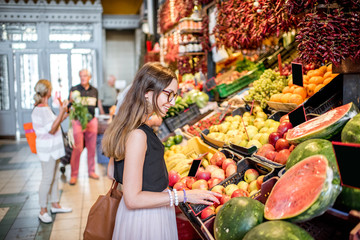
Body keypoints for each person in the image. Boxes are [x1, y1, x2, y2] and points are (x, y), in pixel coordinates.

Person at [102, 62, 220, 239]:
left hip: (137, 217)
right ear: (148, 94)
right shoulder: (138, 135)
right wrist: (183, 195)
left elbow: (112, 172)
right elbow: (132, 199)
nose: (172, 102)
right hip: (146, 220)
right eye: (169, 95)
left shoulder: (129, 127)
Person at [31, 79, 72, 223]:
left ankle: (55, 204)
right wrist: (61, 112)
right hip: (47, 151)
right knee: (47, 179)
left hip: (53, 149)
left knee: (54, 177)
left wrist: (65, 110)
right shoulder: (41, 109)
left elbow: (56, 121)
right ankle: (42, 210)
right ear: (47, 91)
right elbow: (53, 128)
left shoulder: (45, 108)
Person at [68, 69, 99, 185]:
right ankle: (73, 175)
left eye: (85, 76)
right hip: (78, 121)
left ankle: (91, 171)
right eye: (81, 76)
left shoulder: (95, 90)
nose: (83, 78)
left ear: (89, 77)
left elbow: (95, 106)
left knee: (91, 148)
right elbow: (69, 104)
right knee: (78, 148)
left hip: (91, 121)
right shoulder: (74, 90)